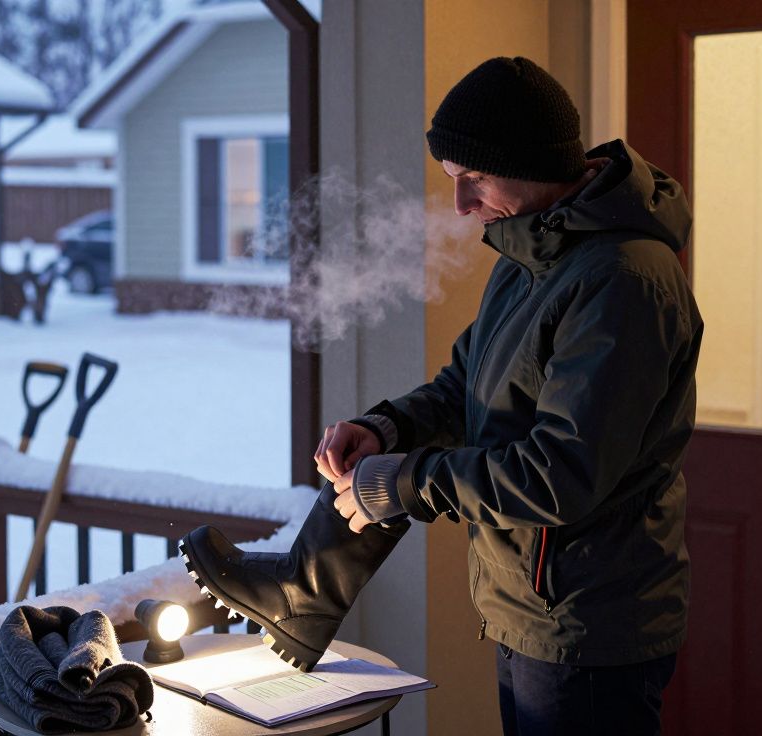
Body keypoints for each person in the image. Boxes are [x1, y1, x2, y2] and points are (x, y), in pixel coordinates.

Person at [181, 56, 702, 736]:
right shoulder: (534, 255)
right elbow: (466, 388)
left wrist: (405, 484)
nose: (459, 206)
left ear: (528, 160)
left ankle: (303, 593)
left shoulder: (622, 281)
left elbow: (562, 473)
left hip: (587, 623)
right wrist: (387, 429)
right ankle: (303, 592)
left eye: (473, 179)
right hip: (532, 602)